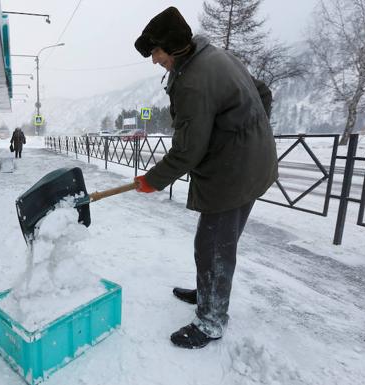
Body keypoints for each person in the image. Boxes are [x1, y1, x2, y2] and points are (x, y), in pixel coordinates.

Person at [133, 6, 278, 349]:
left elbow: (188, 151)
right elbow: (264, 93)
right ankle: (207, 292)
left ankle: (211, 321)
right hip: (249, 162)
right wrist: (248, 135)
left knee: (212, 246)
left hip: (234, 173)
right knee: (214, 241)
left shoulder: (193, 82)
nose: (155, 60)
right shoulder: (215, 55)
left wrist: (152, 180)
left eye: (156, 52)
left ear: (173, 47)